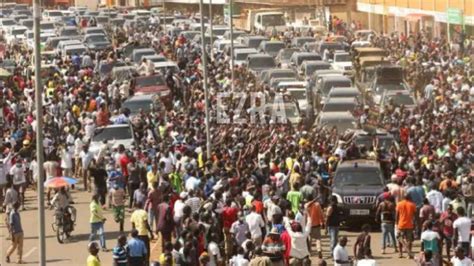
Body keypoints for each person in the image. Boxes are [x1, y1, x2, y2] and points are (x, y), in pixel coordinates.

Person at [396, 194, 417, 259]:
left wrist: (396, 223)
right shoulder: (412, 204)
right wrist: (415, 224)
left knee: (400, 239)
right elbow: (415, 216)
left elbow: (397, 215)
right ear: (409, 197)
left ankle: (400, 253)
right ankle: (409, 254)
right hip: (409, 225)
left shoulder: (399, 204)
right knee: (409, 240)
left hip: (401, 224)